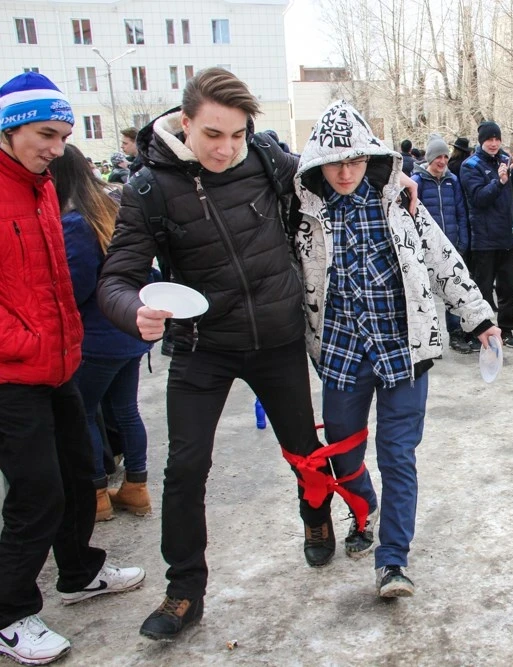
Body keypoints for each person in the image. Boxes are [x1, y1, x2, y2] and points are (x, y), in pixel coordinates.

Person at [97, 68, 336, 640]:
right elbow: (117, 280)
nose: (226, 149)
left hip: (276, 337)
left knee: (303, 450)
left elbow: (333, 174)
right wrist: (134, 311)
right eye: (212, 135)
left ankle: (317, 518)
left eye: (236, 134)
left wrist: (392, 179)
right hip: (202, 348)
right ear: (185, 123)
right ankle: (184, 590)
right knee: (184, 469)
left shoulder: (267, 159)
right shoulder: (148, 189)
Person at [292, 99, 499, 598]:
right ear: (317, 164)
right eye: (334, 163)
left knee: (398, 455)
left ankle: (392, 561)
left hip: (403, 349)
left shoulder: (400, 204)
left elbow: (443, 258)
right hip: (341, 353)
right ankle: (365, 507)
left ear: (371, 158)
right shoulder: (303, 215)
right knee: (343, 451)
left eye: (355, 160)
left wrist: (479, 318)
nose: (345, 172)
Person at [0, 71, 145, 667]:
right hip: (12, 376)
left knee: (82, 471)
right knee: (36, 493)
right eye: (45, 135)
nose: (57, 149)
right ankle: (8, 613)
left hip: (60, 365)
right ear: (9, 129)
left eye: (63, 137)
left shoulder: (38, 190)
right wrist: (27, 341)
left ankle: (80, 570)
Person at [50, 145, 153, 522]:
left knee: (84, 413)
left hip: (97, 338)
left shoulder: (76, 222)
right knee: (126, 410)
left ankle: (96, 494)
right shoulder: (111, 207)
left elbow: (75, 287)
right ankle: (136, 487)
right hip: (128, 332)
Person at [461, 120, 513, 348]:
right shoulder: (471, 165)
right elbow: (478, 198)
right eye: (489, 139)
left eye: (497, 139)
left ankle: (506, 330)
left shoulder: (505, 160)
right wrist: (499, 182)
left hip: (507, 237)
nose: (493, 143)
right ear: (481, 141)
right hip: (484, 239)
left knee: (508, 289)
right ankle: (483, 331)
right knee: (482, 290)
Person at [411, 135, 475, 354]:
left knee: (453, 294)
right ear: (430, 158)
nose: (442, 161)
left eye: (446, 157)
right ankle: (428, 341)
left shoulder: (452, 181)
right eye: (438, 157)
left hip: (450, 247)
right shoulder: (417, 181)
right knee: (424, 297)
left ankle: (455, 335)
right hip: (424, 250)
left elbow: (461, 213)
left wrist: (462, 242)